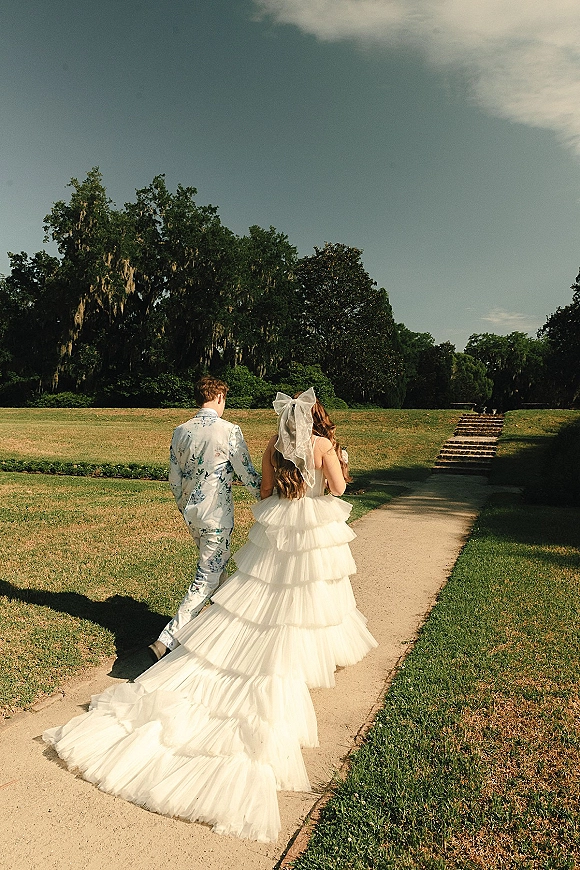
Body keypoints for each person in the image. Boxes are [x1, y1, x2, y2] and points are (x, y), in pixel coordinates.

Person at [43, 388, 377, 843]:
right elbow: (338, 489)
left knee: (263, 597)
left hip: (278, 522)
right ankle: (304, 658)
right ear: (317, 418)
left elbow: (262, 489)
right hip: (312, 527)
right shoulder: (322, 447)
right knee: (311, 594)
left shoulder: (271, 447)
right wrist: (336, 460)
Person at [148, 375, 262, 662]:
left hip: (192, 513)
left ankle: (228, 631)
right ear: (220, 397)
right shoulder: (229, 430)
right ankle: (168, 638)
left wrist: (184, 506)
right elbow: (247, 474)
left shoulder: (180, 431)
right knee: (207, 576)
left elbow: (174, 478)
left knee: (217, 571)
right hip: (217, 515)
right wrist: (273, 496)